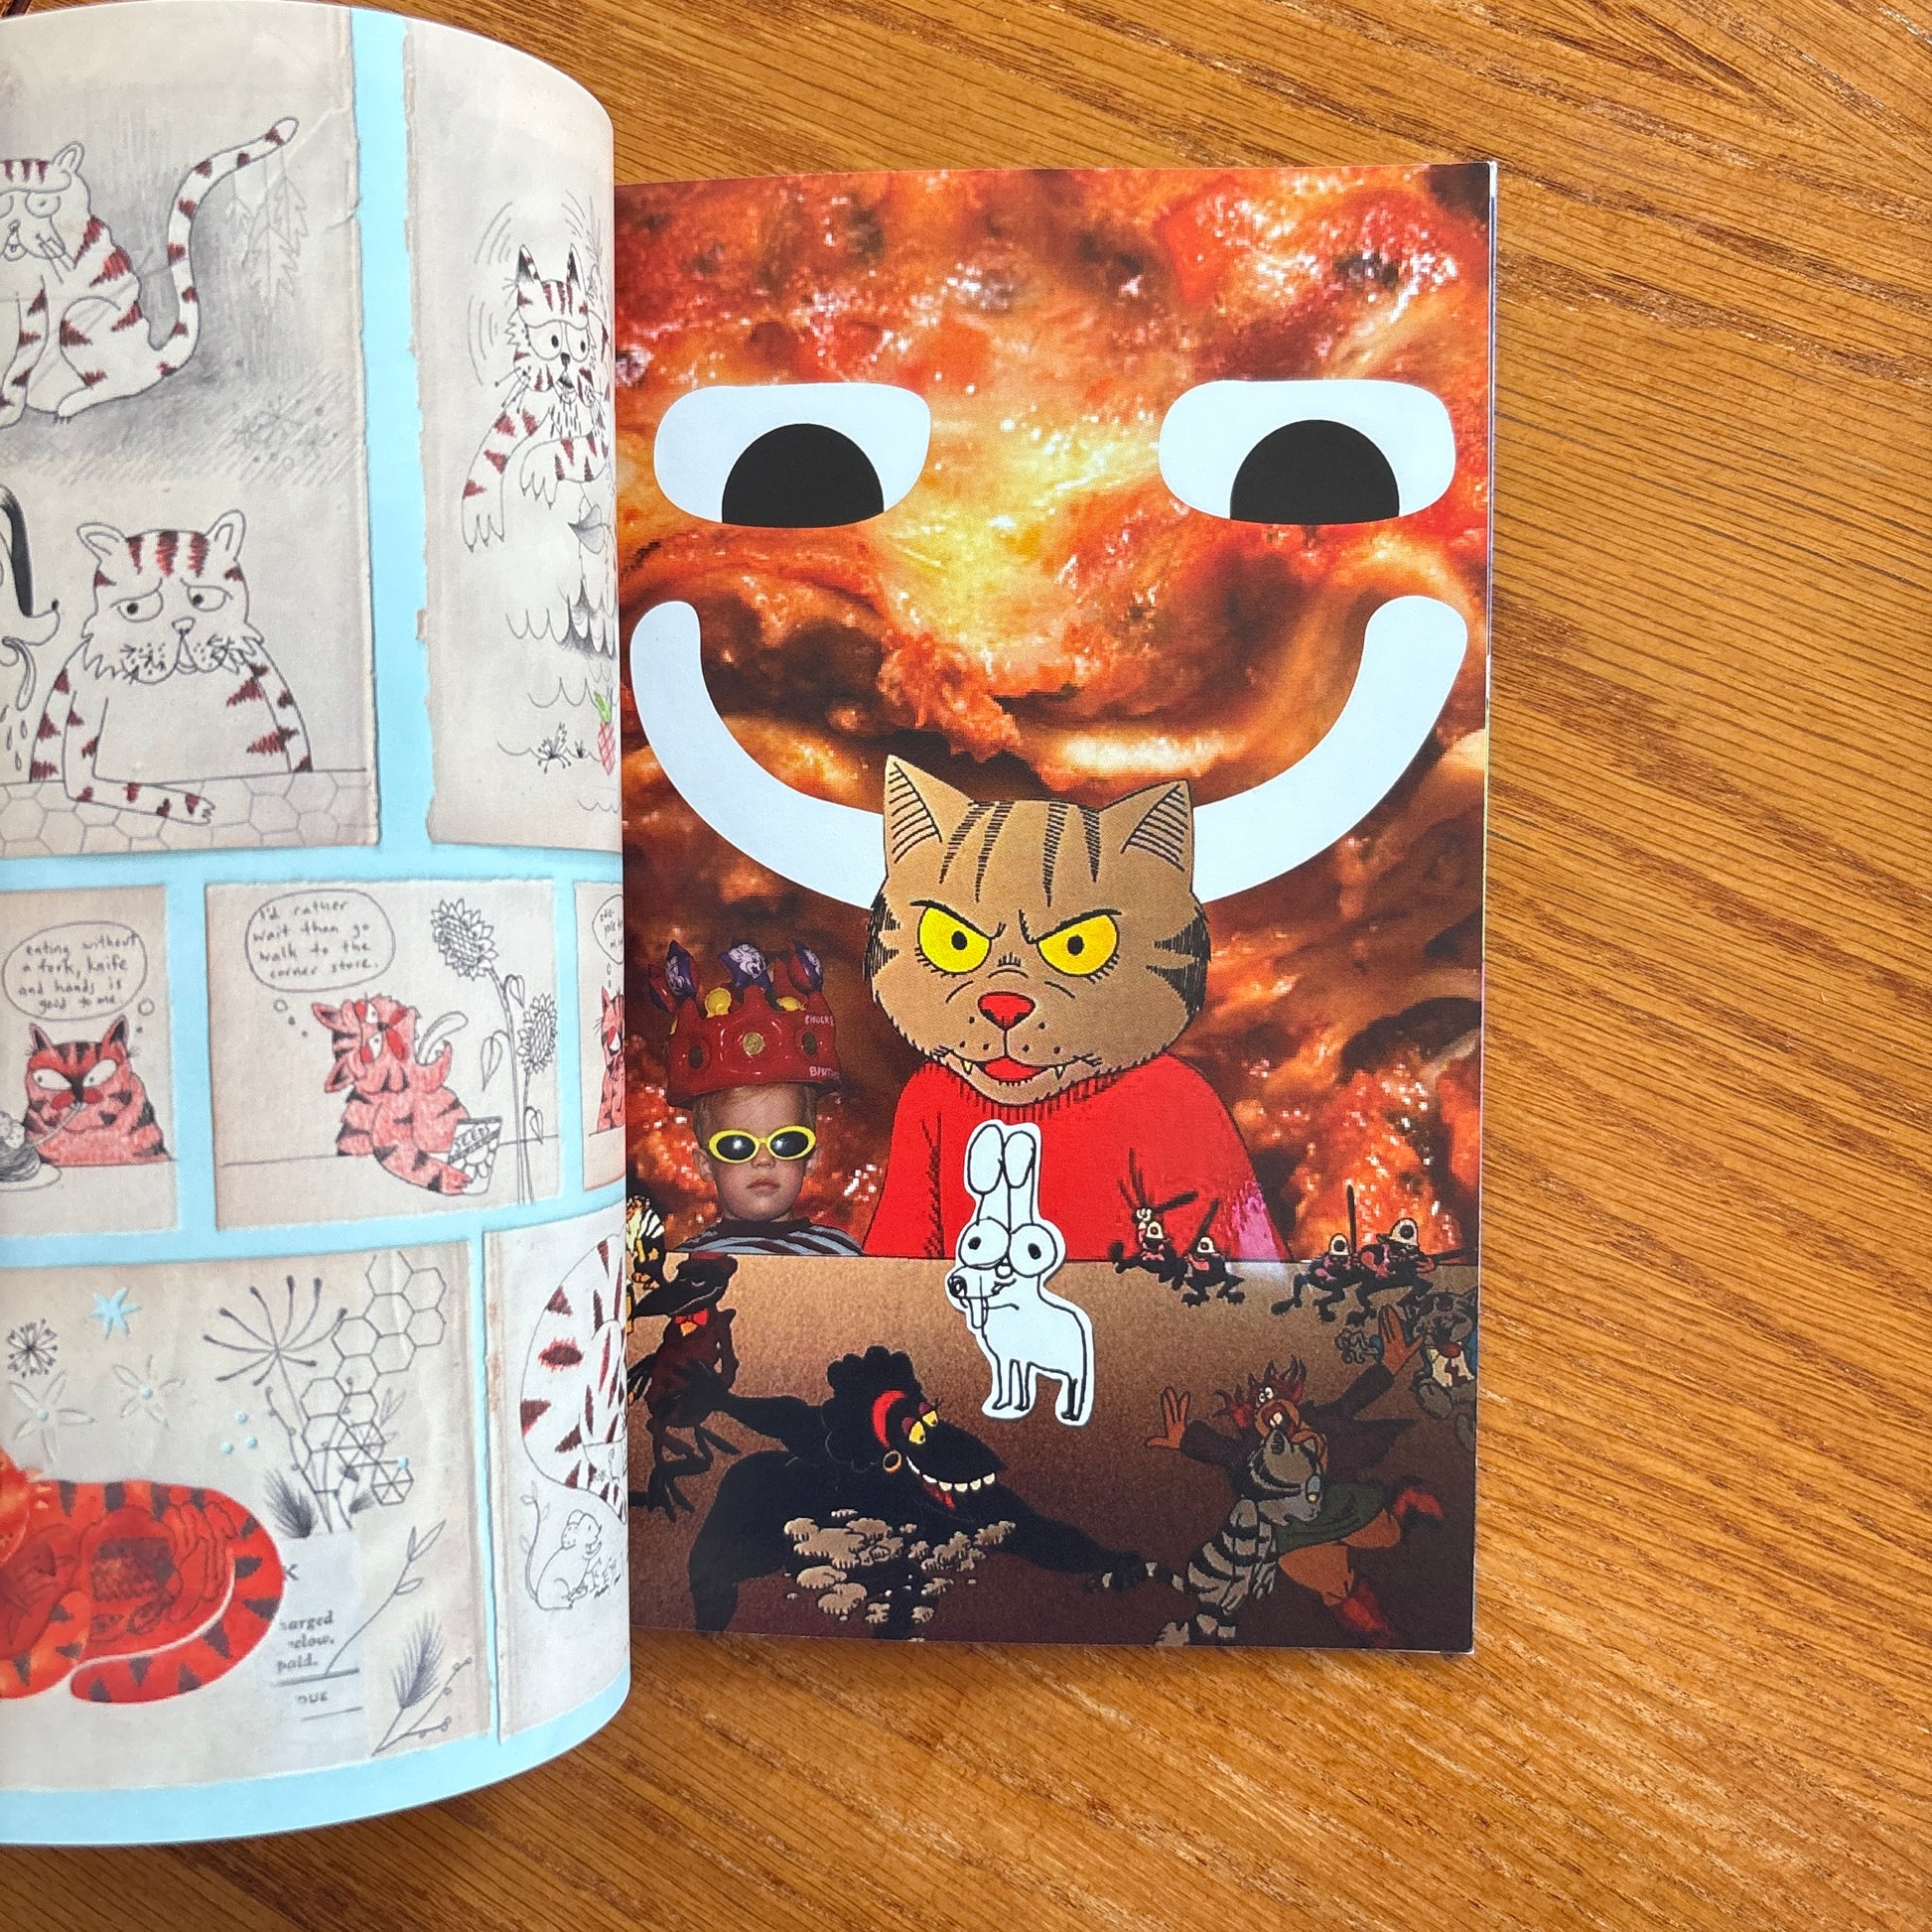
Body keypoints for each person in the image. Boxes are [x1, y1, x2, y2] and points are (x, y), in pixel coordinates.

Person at [646, 938, 862, 1258]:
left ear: (812, 1159)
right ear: (706, 1164)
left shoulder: (840, 1254)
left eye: (787, 1142)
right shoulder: (686, 1263)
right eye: (736, 1145)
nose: (763, 1160)